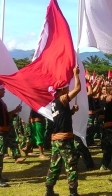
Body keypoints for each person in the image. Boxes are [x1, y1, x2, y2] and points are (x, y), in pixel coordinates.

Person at [45, 66, 81, 196]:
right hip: (64, 138)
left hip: (56, 138)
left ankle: (49, 190)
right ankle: (73, 192)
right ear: (61, 90)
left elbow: (61, 117)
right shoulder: (62, 99)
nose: (68, 89)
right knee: (71, 165)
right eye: (66, 88)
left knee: (54, 165)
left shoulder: (54, 102)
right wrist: (76, 74)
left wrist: (71, 111)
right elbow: (77, 89)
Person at [0, 77, 25, 187]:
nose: (4, 91)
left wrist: (15, 111)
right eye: (2, 90)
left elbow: (5, 115)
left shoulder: (0, 102)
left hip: (3, 131)